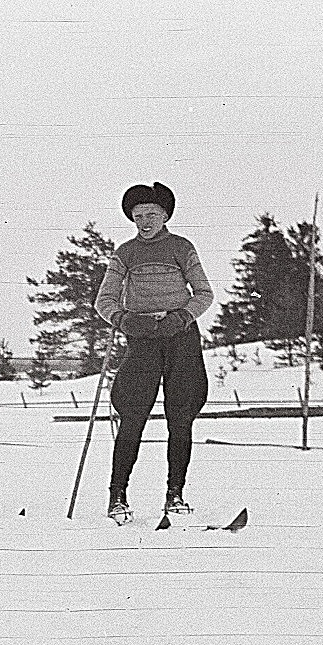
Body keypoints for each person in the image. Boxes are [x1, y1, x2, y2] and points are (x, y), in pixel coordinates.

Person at [92, 182, 215, 523]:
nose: (144, 222)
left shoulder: (181, 247)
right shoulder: (125, 253)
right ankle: (118, 496)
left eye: (151, 215)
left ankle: (175, 495)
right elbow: (104, 300)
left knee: (181, 415)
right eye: (137, 216)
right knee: (132, 414)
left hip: (181, 337)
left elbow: (204, 293)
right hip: (142, 337)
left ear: (165, 216)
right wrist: (125, 320)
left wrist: (181, 317)